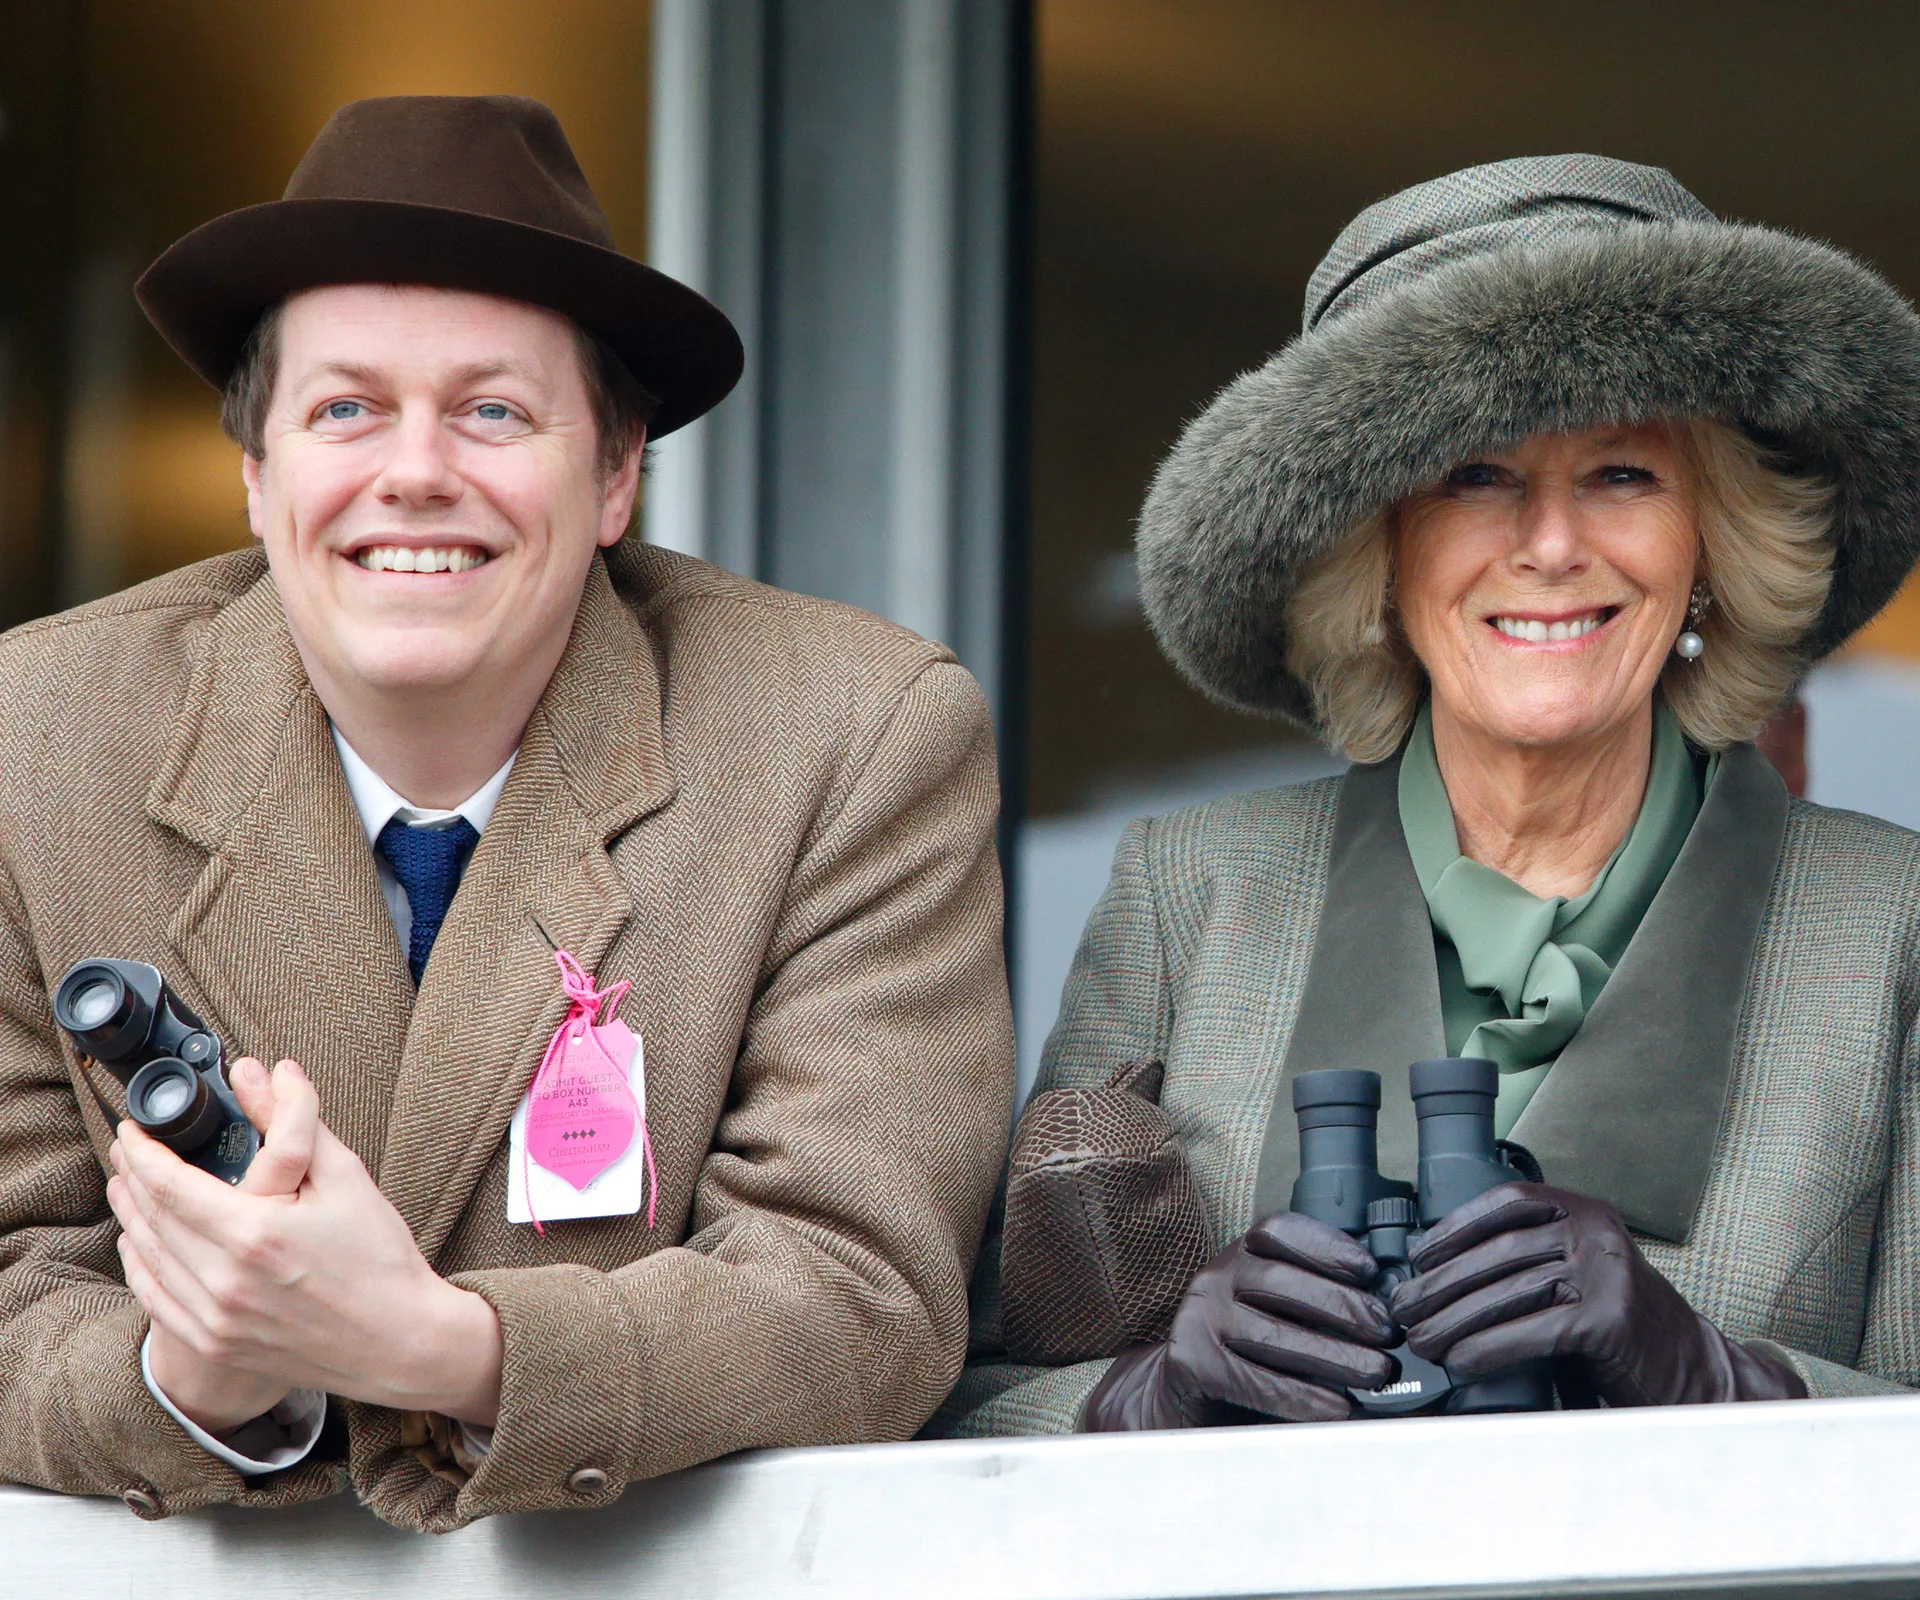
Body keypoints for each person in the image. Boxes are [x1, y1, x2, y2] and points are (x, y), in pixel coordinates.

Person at [0, 96, 1012, 1529]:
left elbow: (858, 1298)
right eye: (345, 408)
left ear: (613, 474)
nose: (414, 471)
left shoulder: (849, 732)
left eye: (492, 410)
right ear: (255, 472)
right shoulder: (28, 741)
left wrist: (422, 1345)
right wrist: (195, 1373)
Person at [936, 155, 1920, 1438]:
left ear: (1713, 550)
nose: (1553, 545)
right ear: (1376, 555)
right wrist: (1154, 1391)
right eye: (1475, 476)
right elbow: (974, 1413)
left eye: (1623, 473)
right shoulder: (1191, 891)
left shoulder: (1889, 920)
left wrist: (1718, 1376)